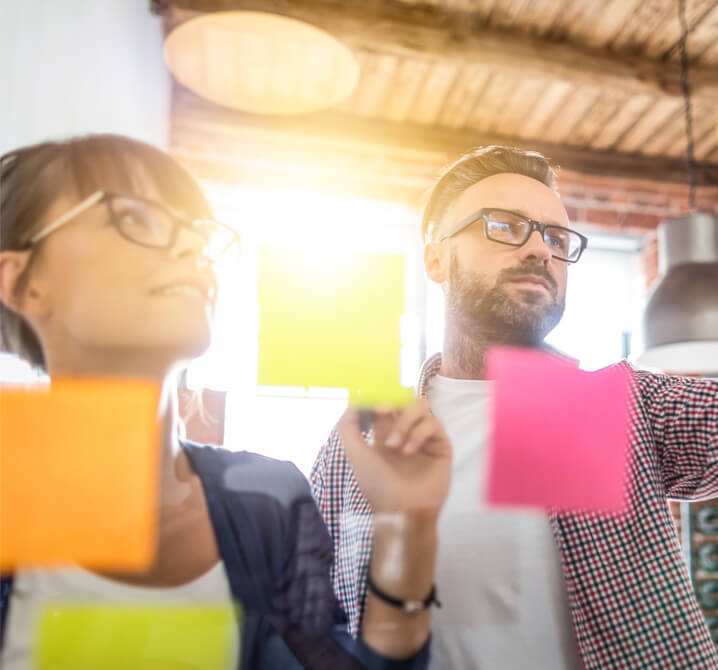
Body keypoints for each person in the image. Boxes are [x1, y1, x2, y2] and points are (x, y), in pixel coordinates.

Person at [309, 1, 718, 666]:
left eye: (555, 236)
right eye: (503, 225)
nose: (539, 251)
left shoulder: (608, 408)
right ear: (434, 256)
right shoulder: (363, 442)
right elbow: (318, 631)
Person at [0, 134, 450, 669]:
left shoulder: (270, 503)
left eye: (197, 234)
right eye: (136, 218)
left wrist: (409, 524)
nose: (193, 249)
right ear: (24, 282)